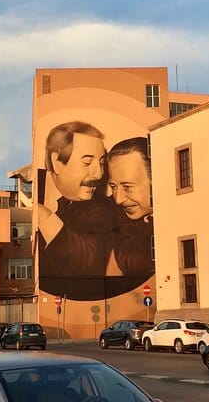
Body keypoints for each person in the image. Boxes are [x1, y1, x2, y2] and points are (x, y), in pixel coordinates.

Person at [37, 122, 152, 300]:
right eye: (87, 162)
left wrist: (44, 217)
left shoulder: (100, 207)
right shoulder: (32, 191)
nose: (98, 174)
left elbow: (87, 261)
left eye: (101, 163)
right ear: (56, 162)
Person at [106, 137, 155, 280]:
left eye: (127, 187)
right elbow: (134, 265)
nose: (118, 199)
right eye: (113, 187)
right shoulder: (112, 209)